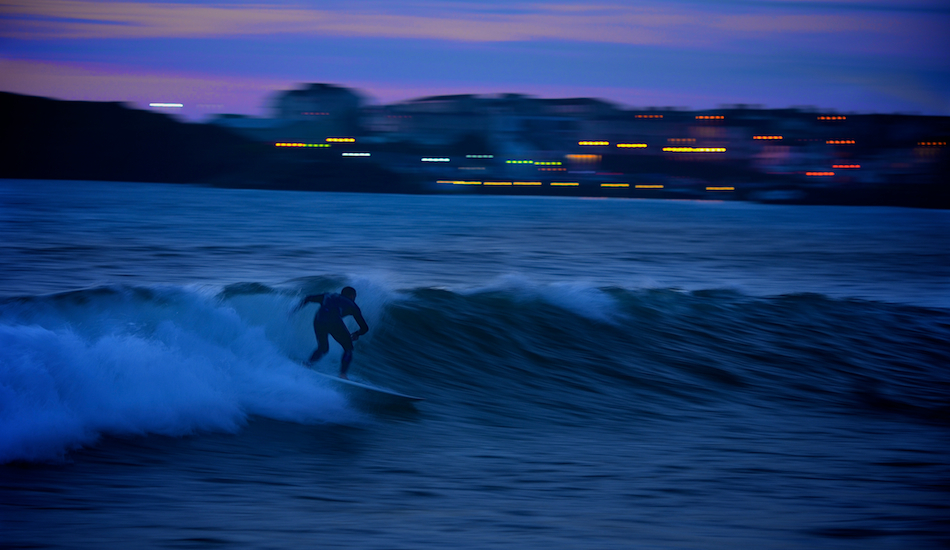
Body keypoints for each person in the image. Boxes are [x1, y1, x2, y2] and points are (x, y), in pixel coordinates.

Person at [294, 286, 369, 379]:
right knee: (348, 348)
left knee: (323, 348)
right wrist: (357, 334)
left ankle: (307, 365)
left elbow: (308, 298)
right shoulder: (352, 305)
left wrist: (294, 310)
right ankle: (342, 374)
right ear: (352, 295)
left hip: (319, 319)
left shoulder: (328, 295)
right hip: (334, 321)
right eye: (354, 297)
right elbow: (365, 328)